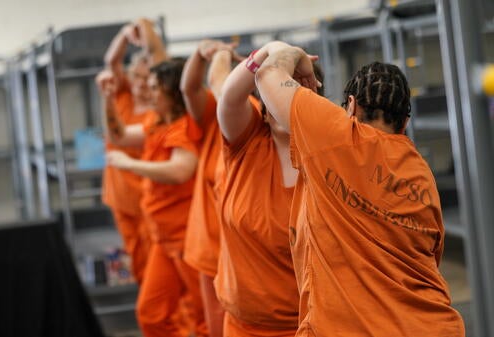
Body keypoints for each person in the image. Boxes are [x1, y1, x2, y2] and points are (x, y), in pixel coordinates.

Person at [254, 41, 465, 336]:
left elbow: (267, 73)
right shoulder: (421, 174)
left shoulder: (335, 134)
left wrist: (289, 51)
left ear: (351, 106)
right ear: (404, 122)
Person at [212, 43, 323, 336]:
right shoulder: (246, 144)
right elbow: (229, 98)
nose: (283, 101)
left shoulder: (329, 156)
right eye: (276, 91)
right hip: (243, 326)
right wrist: (270, 51)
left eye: (295, 90)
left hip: (310, 326)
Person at [105, 58, 208, 337]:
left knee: (205, 318)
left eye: (154, 87)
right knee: (151, 314)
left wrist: (130, 165)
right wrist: (107, 99)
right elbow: (120, 135)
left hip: (186, 237)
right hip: (163, 236)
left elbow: (180, 170)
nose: (146, 92)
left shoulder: (183, 126)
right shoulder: (156, 121)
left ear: (172, 92)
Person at [97, 17, 167, 284]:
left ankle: (174, 322)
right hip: (120, 196)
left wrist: (145, 27)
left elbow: (123, 137)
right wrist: (125, 35)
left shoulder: (159, 113)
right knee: (137, 261)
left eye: (146, 79)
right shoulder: (122, 95)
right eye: (136, 76)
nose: (139, 84)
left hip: (148, 199)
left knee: (157, 266)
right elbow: (111, 62)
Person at [180, 39, 239, 337]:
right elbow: (189, 89)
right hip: (210, 249)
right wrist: (202, 54)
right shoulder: (217, 117)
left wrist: (221, 55)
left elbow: (219, 85)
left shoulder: (252, 116)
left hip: (243, 256)